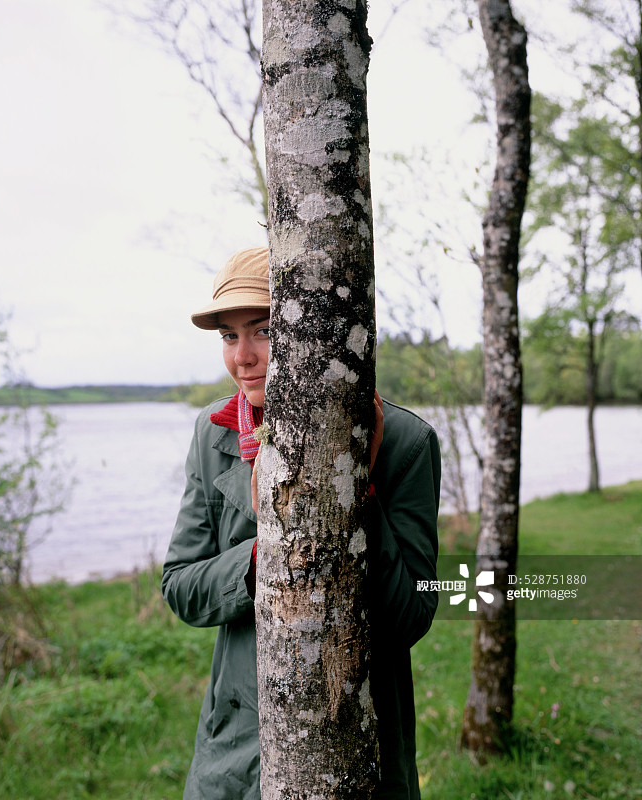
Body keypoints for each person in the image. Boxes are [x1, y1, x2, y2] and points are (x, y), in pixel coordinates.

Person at [162, 245, 441, 800]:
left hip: (359, 739)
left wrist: (354, 487)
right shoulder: (214, 434)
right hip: (236, 746)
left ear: (310, 330)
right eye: (228, 335)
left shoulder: (405, 444)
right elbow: (181, 586)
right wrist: (273, 553)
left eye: (263, 330)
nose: (242, 356)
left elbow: (412, 614)